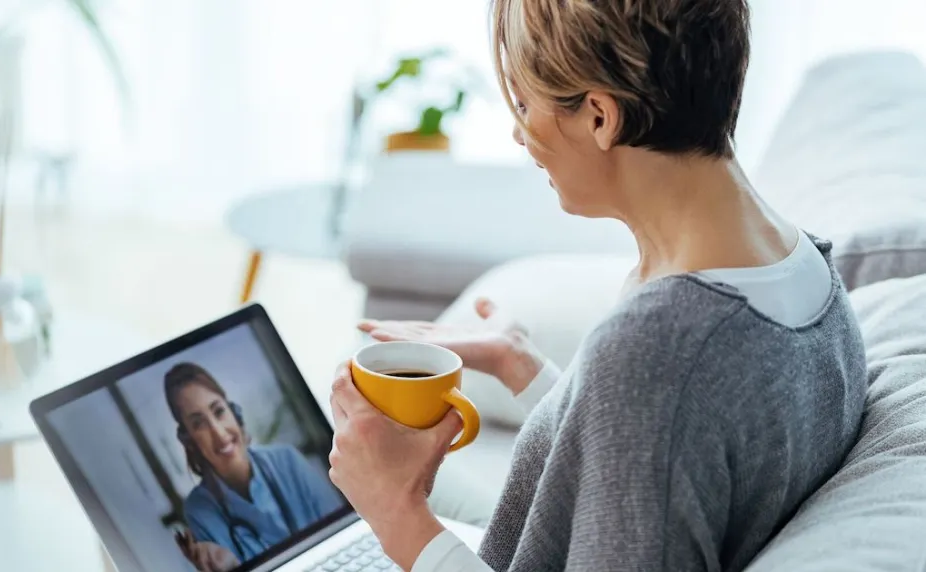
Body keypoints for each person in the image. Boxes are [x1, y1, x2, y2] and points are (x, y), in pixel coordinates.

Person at [326, 1, 868, 571]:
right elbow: (659, 462)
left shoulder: (661, 350)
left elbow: (661, 397)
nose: (518, 132)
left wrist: (396, 513)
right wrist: (525, 368)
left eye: (523, 103)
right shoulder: (802, 267)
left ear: (600, 117)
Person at [165, 362, 345, 572]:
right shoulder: (199, 510)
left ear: (233, 411)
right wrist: (230, 567)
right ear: (188, 440)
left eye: (219, 411)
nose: (219, 433)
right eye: (198, 424)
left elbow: (342, 530)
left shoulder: (286, 460)